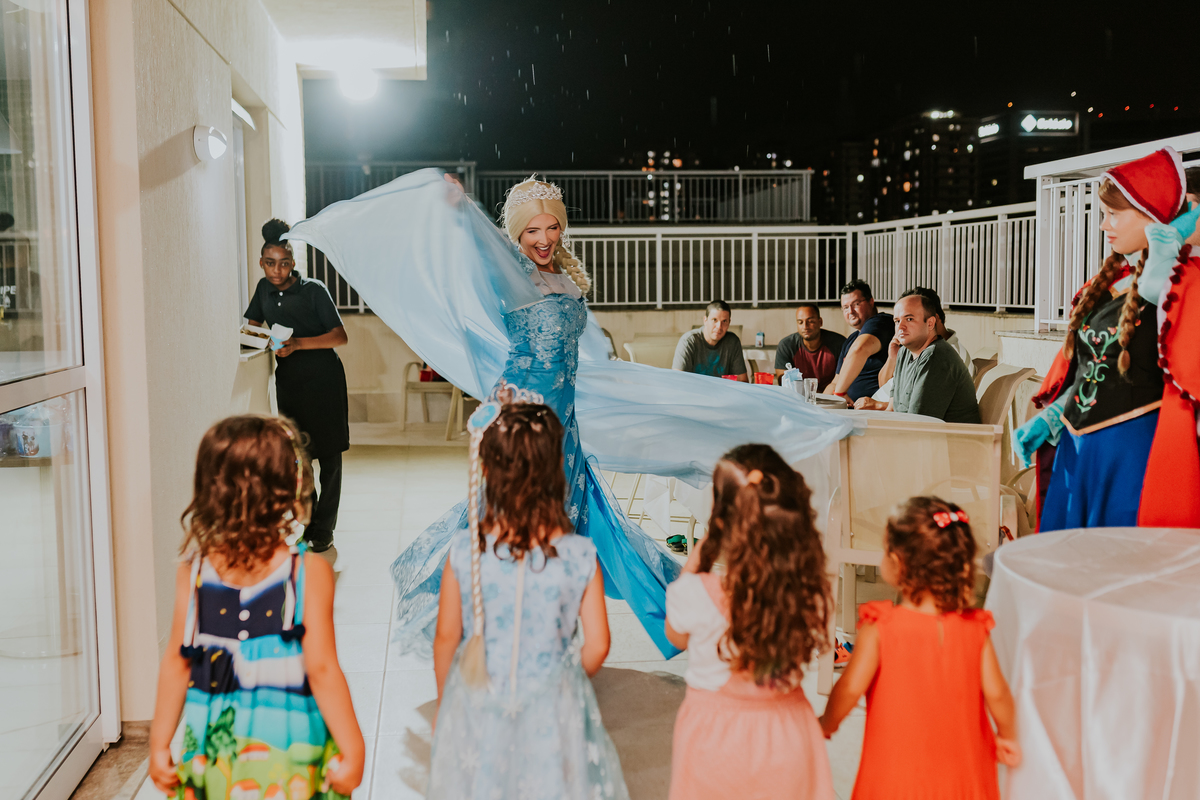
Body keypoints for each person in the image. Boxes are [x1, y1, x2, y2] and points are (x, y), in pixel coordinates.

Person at [283, 171, 857, 657]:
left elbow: (583, 349)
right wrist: (459, 210)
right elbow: (476, 248)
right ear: (516, 234)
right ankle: (496, 628)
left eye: (552, 227)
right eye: (532, 230)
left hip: (567, 417)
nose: (543, 238)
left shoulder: (566, 278)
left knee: (573, 522)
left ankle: (566, 623)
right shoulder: (508, 273)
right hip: (524, 414)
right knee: (515, 520)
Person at [147, 415, 364, 800]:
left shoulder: (193, 573)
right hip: (289, 754)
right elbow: (323, 670)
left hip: (216, 755)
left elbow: (177, 662)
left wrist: (159, 744)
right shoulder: (307, 572)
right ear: (290, 488)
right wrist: (354, 749)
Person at [428, 399, 628, 800]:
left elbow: (446, 639)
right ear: (554, 472)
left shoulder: (464, 553)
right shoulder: (581, 556)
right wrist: (564, 683)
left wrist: (446, 704)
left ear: (487, 472)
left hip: (479, 699)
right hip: (552, 707)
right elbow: (599, 644)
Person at [1014, 146, 1200, 531]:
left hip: (1134, 455)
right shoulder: (1107, 286)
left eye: (1113, 214)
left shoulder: (1183, 285)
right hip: (1079, 450)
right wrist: (1054, 415)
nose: (1103, 225)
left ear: (1152, 216)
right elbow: (1090, 370)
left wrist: (1165, 261)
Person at [820, 497, 1021, 799]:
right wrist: (1008, 736)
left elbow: (849, 688)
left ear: (897, 563)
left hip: (897, 778)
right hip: (962, 777)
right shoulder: (975, 630)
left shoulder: (881, 629)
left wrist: (827, 723)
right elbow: (999, 694)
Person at [665, 444, 834, 800]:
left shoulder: (695, 593)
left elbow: (676, 636)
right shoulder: (807, 592)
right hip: (788, 736)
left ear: (721, 520)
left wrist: (705, 546)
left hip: (716, 742)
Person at [245, 219, 349, 556]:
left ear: (293, 262)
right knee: (299, 459)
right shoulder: (263, 290)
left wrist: (298, 344)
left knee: (329, 459)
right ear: (261, 263)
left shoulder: (313, 289)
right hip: (289, 384)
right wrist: (261, 341)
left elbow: (340, 336)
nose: (277, 270)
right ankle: (308, 523)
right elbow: (252, 327)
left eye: (284, 263)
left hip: (324, 381)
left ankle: (325, 530)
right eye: (270, 263)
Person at [853, 294, 980, 423]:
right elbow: (891, 409)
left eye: (909, 319)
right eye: (897, 321)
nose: (900, 327)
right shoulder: (904, 352)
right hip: (914, 430)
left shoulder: (935, 357)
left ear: (930, 323)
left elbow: (917, 423)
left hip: (947, 435)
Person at [824, 279, 894, 403]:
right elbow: (835, 382)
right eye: (845, 307)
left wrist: (839, 394)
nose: (850, 311)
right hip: (851, 408)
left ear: (871, 302)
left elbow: (859, 349)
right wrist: (819, 404)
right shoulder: (851, 339)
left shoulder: (880, 322)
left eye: (856, 304)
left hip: (874, 408)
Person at [672, 299, 747, 380]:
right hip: (694, 388)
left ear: (729, 323)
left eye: (724, 321)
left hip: (722, 388)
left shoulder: (732, 342)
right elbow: (677, 380)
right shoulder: (688, 342)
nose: (719, 326)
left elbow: (743, 381)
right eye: (714, 320)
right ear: (705, 320)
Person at [774, 303, 845, 387]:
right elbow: (783, 381)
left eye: (810, 321)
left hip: (832, 393)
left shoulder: (839, 343)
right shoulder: (787, 345)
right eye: (800, 322)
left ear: (820, 322)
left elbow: (846, 378)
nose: (805, 326)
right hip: (798, 393)